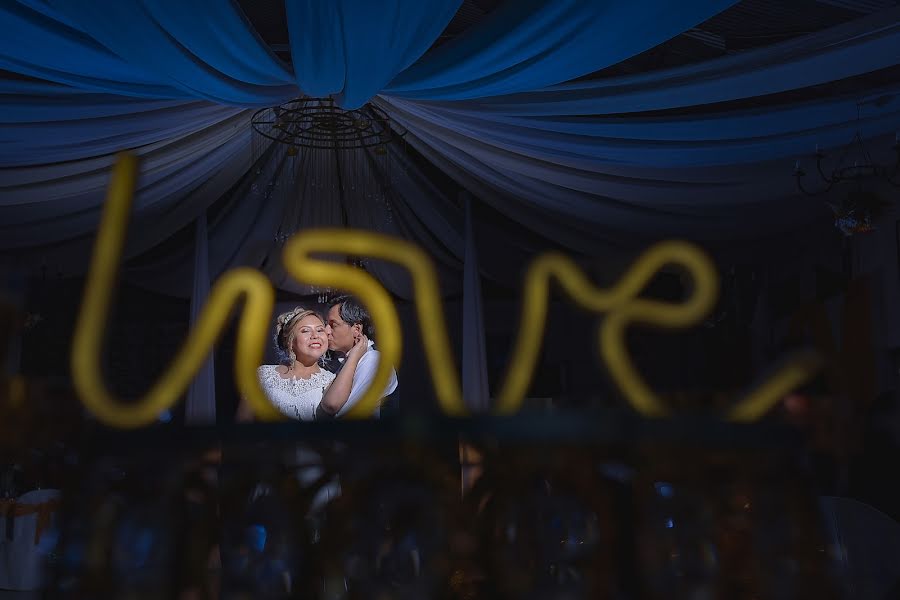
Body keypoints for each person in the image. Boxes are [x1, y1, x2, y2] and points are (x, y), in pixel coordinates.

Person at [236, 307, 368, 421]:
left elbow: (332, 406)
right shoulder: (262, 375)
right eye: (305, 331)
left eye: (320, 330)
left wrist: (354, 356)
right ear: (290, 341)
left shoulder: (332, 380)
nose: (315, 335)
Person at [318, 295, 398, 419]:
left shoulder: (373, 361)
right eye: (326, 324)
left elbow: (347, 415)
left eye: (333, 325)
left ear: (356, 329)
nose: (326, 331)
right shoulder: (351, 360)